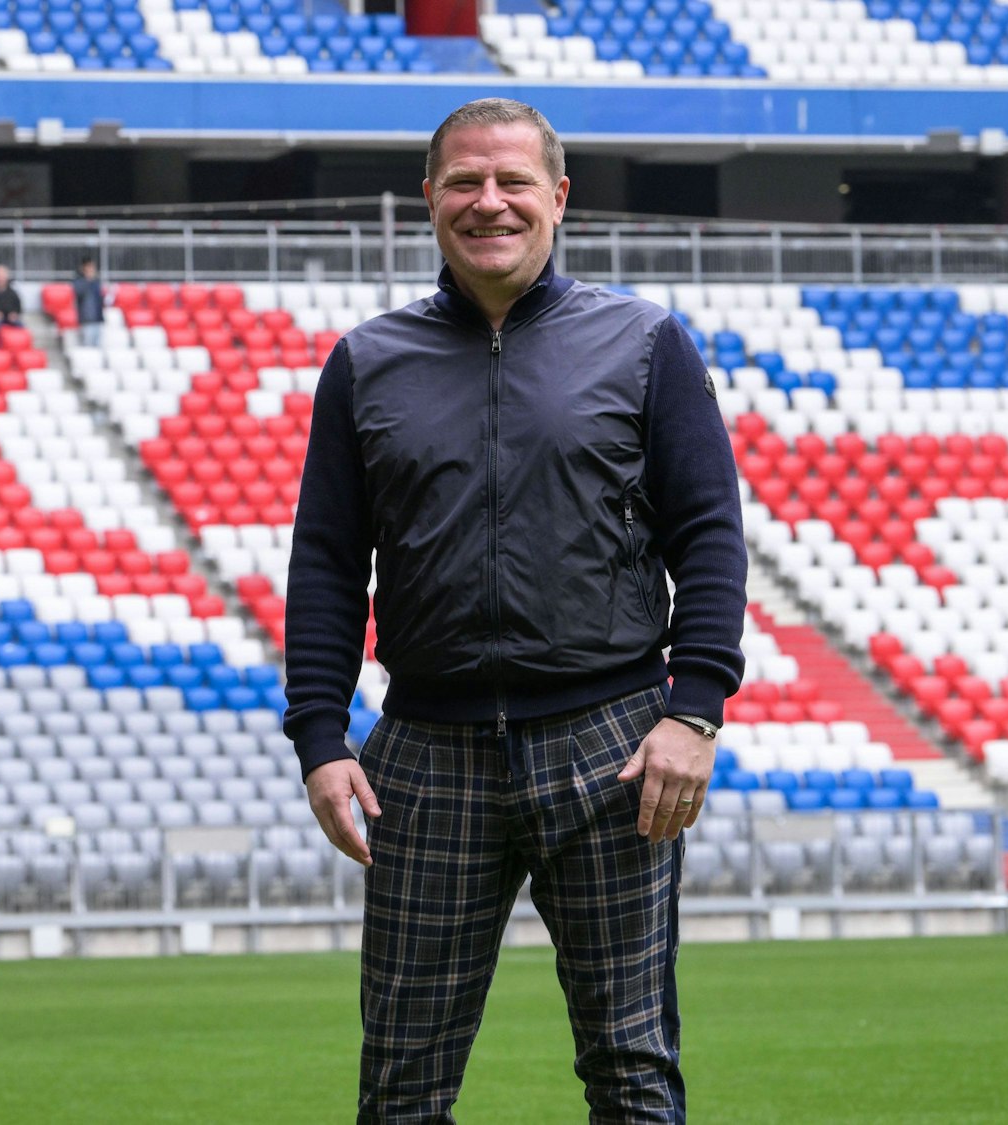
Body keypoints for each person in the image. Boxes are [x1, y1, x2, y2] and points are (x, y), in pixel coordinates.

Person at [284, 98, 747, 1124]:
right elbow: (324, 563)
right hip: (425, 753)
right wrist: (318, 736)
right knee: (399, 1085)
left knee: (632, 1072)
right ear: (429, 199)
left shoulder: (643, 342)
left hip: (610, 747)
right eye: (463, 182)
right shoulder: (365, 361)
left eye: (510, 183)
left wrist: (693, 709)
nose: (486, 203)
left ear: (556, 198)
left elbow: (707, 532)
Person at [71, 257, 106, 347]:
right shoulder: (79, 282)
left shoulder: (96, 282)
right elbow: (78, 293)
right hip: (86, 320)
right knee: (88, 348)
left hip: (97, 319)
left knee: (97, 347)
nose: (92, 270)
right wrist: (88, 280)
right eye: (89, 267)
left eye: (93, 267)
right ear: (84, 268)